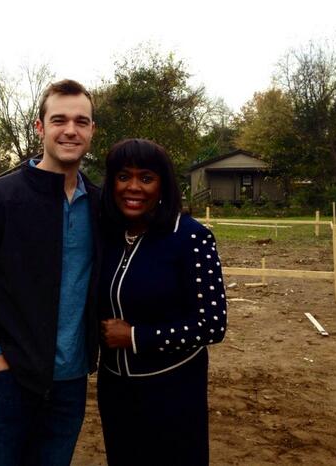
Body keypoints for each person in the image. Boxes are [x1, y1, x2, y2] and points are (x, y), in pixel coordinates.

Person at [0, 79, 101, 466]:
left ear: (92, 131)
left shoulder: (99, 205)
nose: (71, 130)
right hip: (5, 380)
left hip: (70, 384)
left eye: (82, 121)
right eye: (59, 119)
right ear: (39, 127)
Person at [97, 138, 227, 466]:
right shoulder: (107, 236)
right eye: (123, 176)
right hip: (115, 389)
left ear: (163, 185)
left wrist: (136, 337)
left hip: (172, 390)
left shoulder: (189, 237)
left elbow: (212, 324)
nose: (134, 187)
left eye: (146, 178)